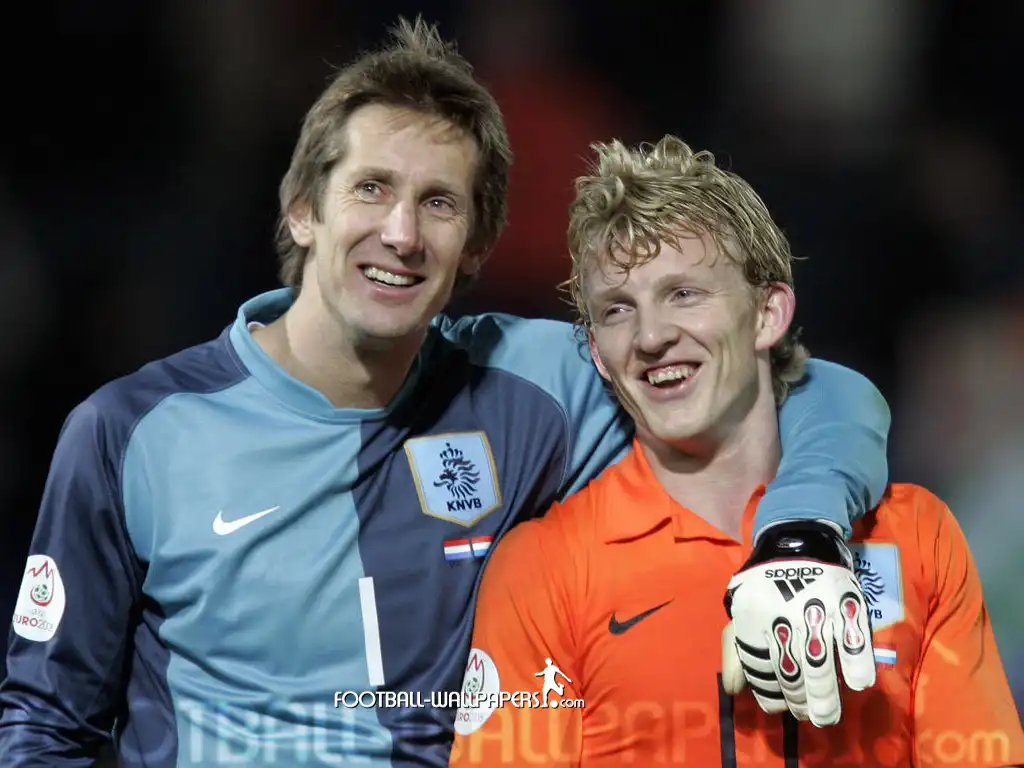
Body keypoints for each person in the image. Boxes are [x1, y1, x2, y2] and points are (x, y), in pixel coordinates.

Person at [0, 20, 892, 768]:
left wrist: (801, 531)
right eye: (372, 188)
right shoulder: (132, 432)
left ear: (476, 246)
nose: (402, 233)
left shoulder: (522, 390)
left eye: (439, 204)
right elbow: (45, 725)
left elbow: (810, 387)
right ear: (303, 210)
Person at [448, 135, 1024, 767]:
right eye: (617, 310)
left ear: (768, 314)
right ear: (598, 357)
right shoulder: (544, 568)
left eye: (684, 294)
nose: (651, 335)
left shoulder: (917, 536)